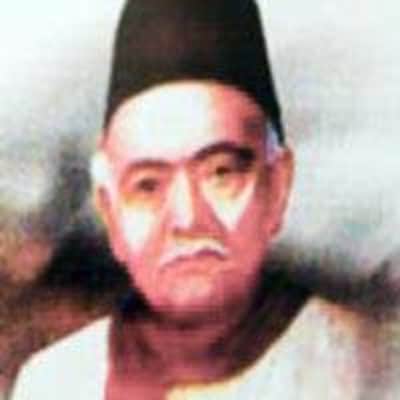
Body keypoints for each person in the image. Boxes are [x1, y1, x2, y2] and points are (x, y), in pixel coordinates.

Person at [10, 0, 364, 399]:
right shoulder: (53, 381)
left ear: (278, 185)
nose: (187, 217)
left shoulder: (356, 369)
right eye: (147, 185)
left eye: (220, 173)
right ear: (110, 212)